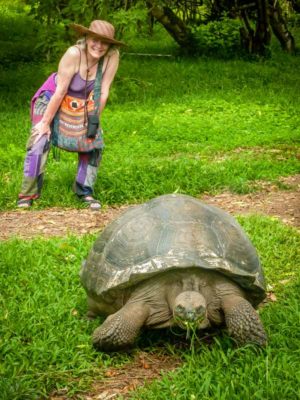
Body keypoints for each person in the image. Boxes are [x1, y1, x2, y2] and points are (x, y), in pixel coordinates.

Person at [17, 20, 125, 210]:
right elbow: (60, 92)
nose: (99, 46)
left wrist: (94, 121)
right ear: (86, 37)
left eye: (104, 42)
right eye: (95, 40)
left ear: (110, 45)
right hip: (52, 98)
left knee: (94, 143)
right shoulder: (73, 53)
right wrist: (45, 123)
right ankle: (27, 194)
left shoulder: (112, 56)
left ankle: (85, 191)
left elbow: (104, 91)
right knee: (39, 139)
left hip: (82, 104)